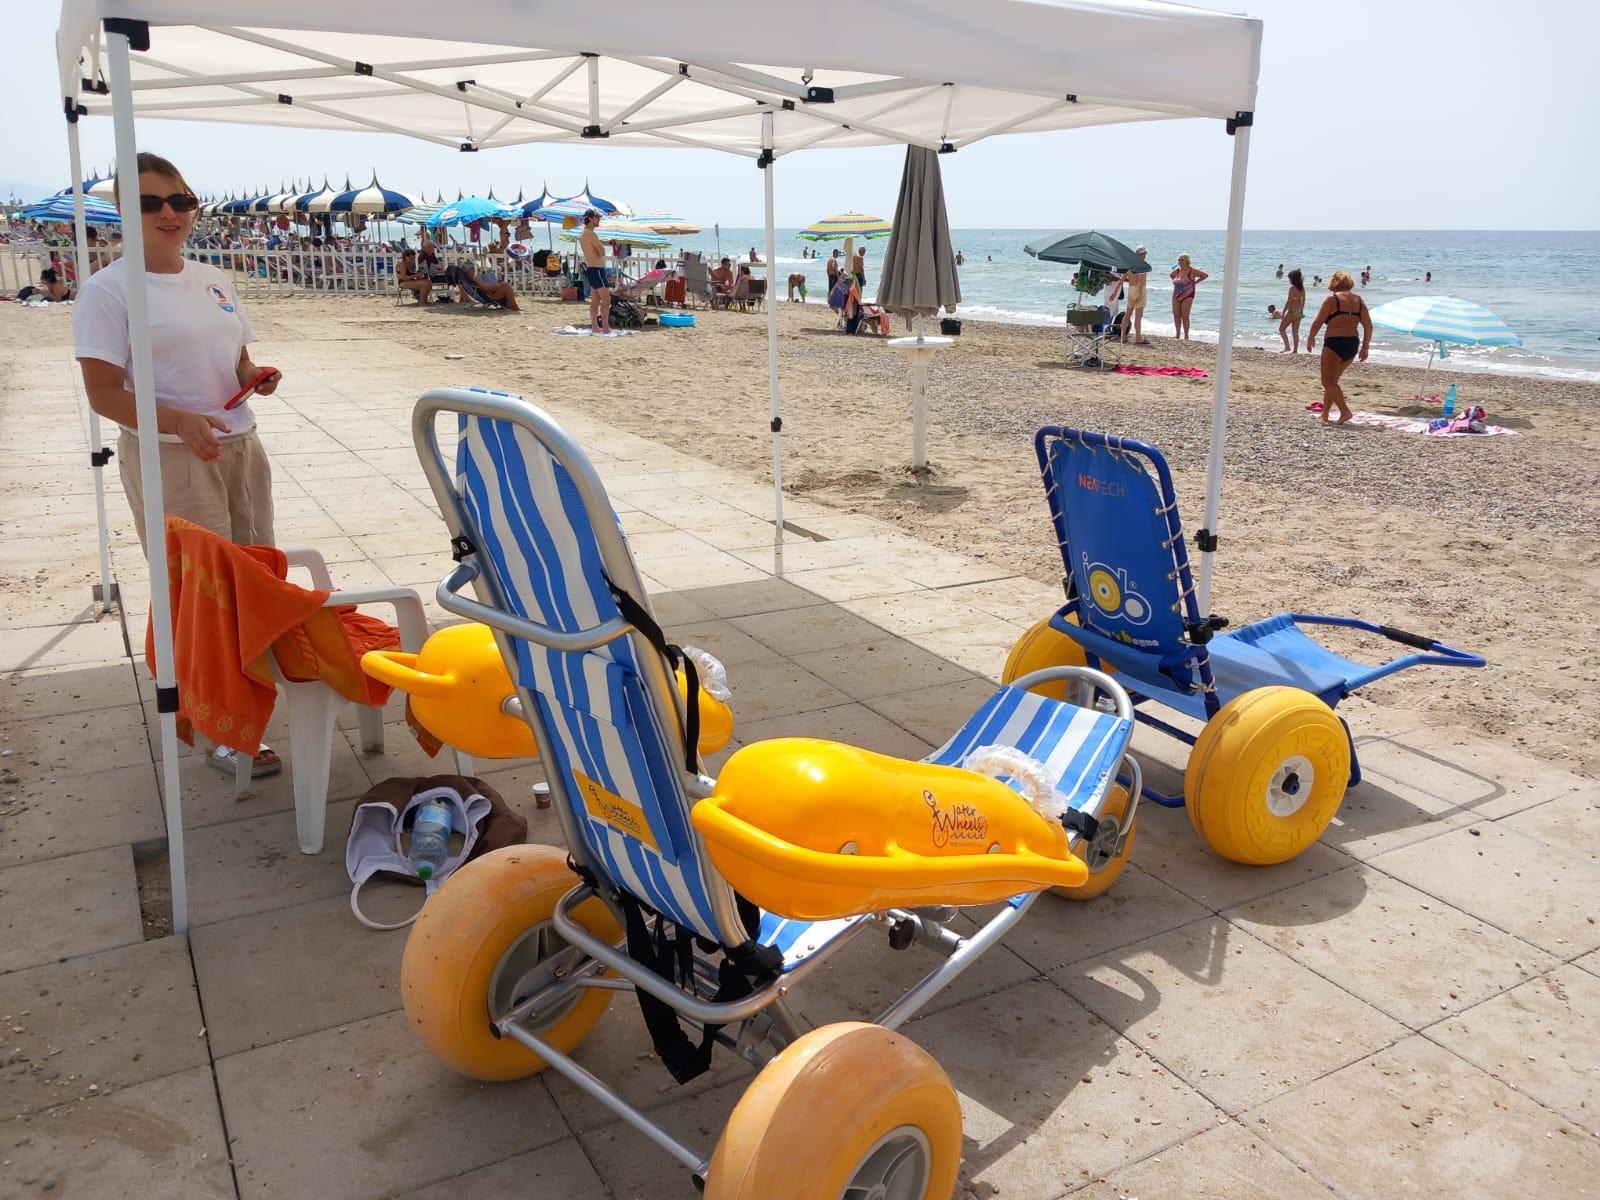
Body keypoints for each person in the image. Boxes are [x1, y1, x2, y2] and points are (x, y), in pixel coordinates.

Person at [73, 151, 282, 775]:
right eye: (150, 203)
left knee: (252, 576)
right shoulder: (108, 290)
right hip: (170, 455)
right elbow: (103, 393)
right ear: (122, 211)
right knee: (198, 594)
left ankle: (246, 695)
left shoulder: (214, 278)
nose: (170, 213)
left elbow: (236, 358)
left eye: (181, 200)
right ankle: (216, 724)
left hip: (239, 446)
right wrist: (177, 421)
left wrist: (254, 375)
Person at [1306, 270, 1372, 425]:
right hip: (1352, 344)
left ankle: (1345, 411)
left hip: (1334, 343)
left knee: (1327, 382)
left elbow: (1317, 322)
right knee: (1333, 382)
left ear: (1334, 282)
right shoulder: (1359, 301)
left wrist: (1311, 337)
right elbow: (1368, 326)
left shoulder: (1332, 299)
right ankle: (1325, 414)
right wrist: (1365, 347)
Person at [579, 209, 612, 332]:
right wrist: (602, 248)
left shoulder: (584, 233)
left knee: (595, 300)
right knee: (606, 299)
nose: (599, 220)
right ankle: (606, 327)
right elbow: (601, 251)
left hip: (592, 269)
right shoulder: (591, 234)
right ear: (590, 219)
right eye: (597, 217)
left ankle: (595, 326)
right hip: (597, 269)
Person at [451, 260, 520, 310]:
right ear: (467, 271)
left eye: (473, 268)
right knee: (506, 286)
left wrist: (497, 285)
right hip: (491, 296)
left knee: (505, 286)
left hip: (490, 294)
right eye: (471, 269)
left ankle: (511, 305)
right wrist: (498, 285)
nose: (474, 270)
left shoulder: (471, 278)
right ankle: (514, 306)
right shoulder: (474, 279)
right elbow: (486, 288)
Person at [1170, 253, 1207, 340]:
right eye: (1178, 260)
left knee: (1185, 316)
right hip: (1176, 294)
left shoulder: (1192, 271)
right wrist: (1177, 282)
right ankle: (1177, 335)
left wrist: (1195, 282)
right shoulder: (1177, 271)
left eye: (1182, 260)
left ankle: (1186, 336)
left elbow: (1205, 275)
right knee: (1176, 315)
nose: (1179, 261)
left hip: (1187, 295)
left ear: (1187, 261)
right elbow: (1171, 275)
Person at [1123, 247, 1151, 344]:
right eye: (1144, 254)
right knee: (1138, 316)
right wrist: (1139, 292)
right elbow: (1141, 280)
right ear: (1142, 255)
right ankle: (1138, 337)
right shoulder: (1142, 265)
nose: (1145, 256)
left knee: (1127, 314)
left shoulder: (1130, 265)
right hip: (1139, 290)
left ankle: (1123, 336)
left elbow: (1123, 278)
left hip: (1131, 289)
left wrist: (1115, 292)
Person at [1278, 268, 1306, 353]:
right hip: (1299, 312)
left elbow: (1289, 301)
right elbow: (1303, 301)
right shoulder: (1302, 289)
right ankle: (1295, 350)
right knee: (1295, 332)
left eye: (1290, 278)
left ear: (1293, 279)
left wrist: (1284, 312)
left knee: (1281, 329)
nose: (1289, 280)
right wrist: (1301, 311)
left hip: (1292, 312)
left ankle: (1287, 347)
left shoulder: (1292, 289)